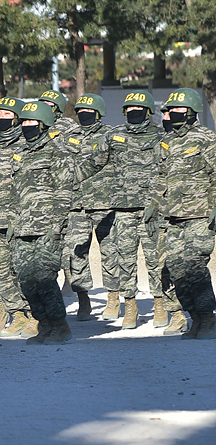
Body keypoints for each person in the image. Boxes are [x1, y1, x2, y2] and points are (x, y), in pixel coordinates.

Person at [83, 90, 164, 329]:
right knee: (125, 260)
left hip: (152, 209)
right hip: (123, 209)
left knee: (155, 260)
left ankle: (160, 304)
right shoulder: (114, 135)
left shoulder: (161, 136)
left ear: (148, 111)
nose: (133, 112)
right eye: (129, 108)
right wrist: (68, 178)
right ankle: (130, 306)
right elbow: (93, 163)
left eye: (138, 109)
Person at [145, 88, 216, 339]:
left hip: (199, 215)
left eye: (177, 109)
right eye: (170, 110)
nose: (172, 113)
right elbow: (160, 177)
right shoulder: (168, 141)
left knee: (195, 268)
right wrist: (152, 205)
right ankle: (194, 317)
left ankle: (208, 319)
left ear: (191, 111)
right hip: (173, 217)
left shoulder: (206, 139)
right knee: (176, 269)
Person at [10, 101, 75, 344]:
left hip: (48, 228)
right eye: (24, 121)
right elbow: (14, 192)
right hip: (23, 228)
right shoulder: (21, 153)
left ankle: (60, 326)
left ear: (44, 124)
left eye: (32, 122)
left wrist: (56, 226)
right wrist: (11, 222)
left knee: (45, 278)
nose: (26, 126)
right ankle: (44, 324)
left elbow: (65, 191)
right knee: (26, 280)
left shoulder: (57, 152)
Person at [0, 97, 35, 336]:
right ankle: (18, 314)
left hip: (20, 221)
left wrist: (19, 218)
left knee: (23, 270)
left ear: (18, 118)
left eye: (7, 115)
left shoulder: (29, 145)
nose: (1, 119)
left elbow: (32, 188)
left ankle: (34, 315)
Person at [65, 93, 118, 320]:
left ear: (98, 113)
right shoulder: (68, 136)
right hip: (77, 205)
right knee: (74, 253)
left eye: (88, 111)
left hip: (106, 204)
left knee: (111, 252)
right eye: (80, 112)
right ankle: (83, 299)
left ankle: (114, 298)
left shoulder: (112, 135)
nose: (84, 115)